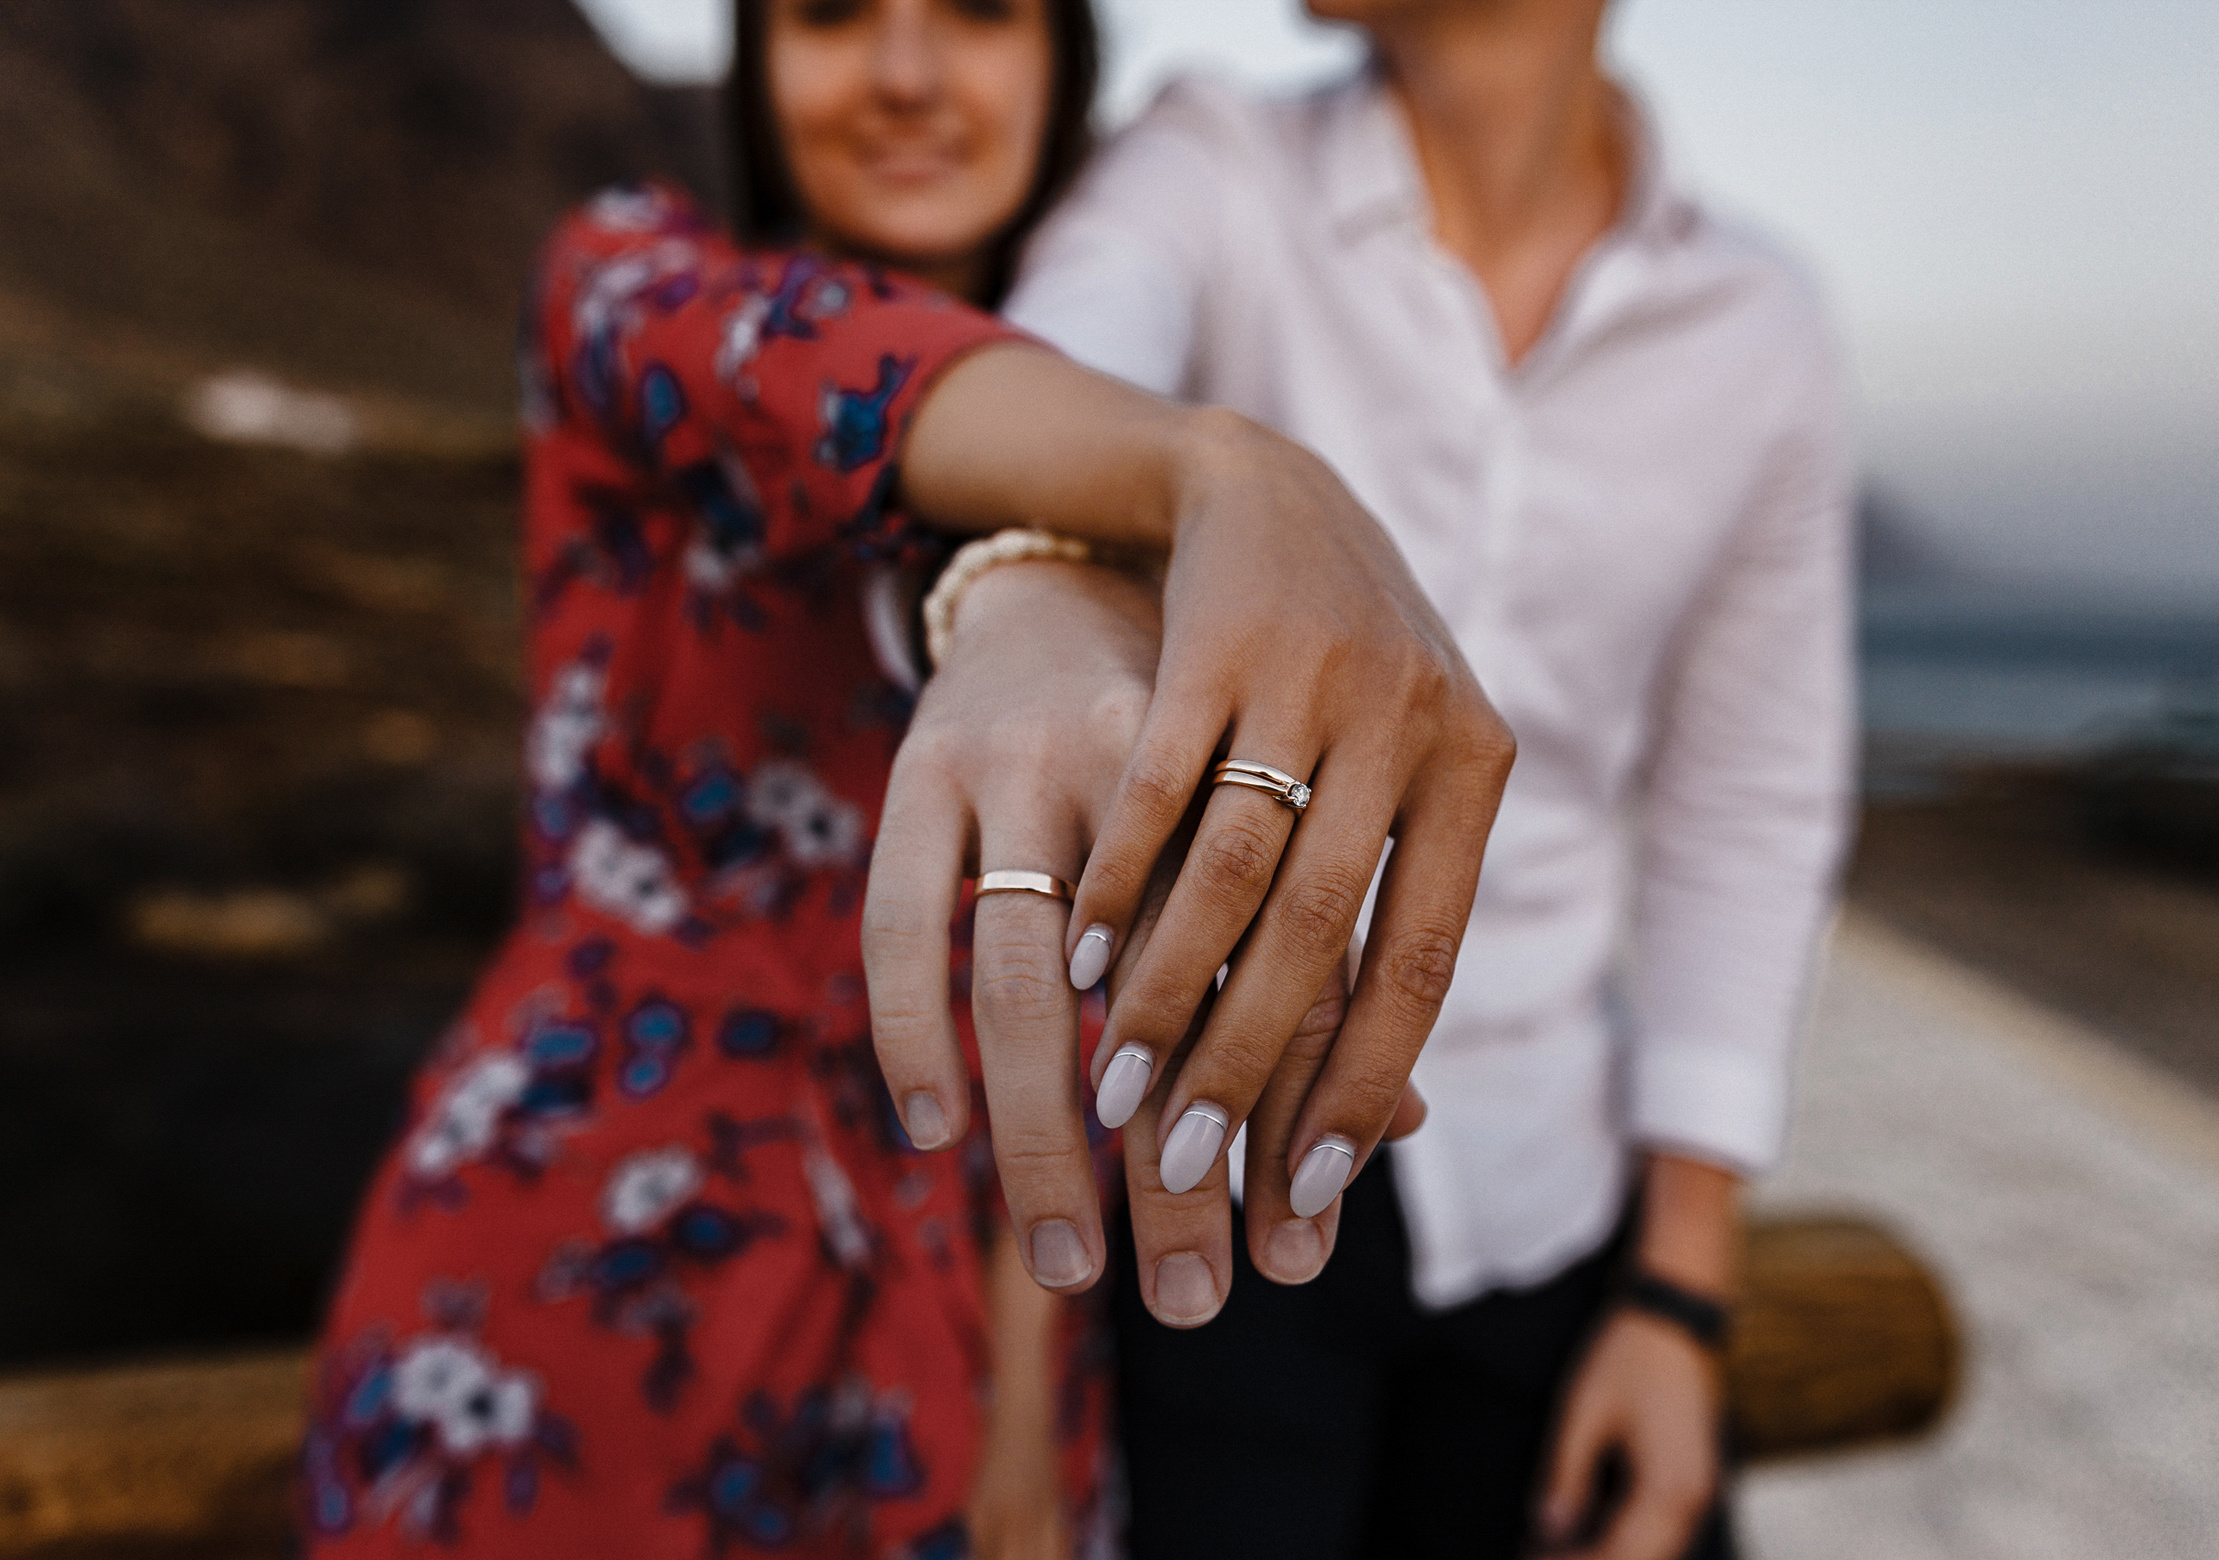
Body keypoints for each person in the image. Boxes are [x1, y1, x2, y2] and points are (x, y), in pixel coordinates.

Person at [298, 1, 1509, 1555]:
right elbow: (820, 374)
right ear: (757, 59)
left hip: (966, 1329)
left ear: (1064, 57)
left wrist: (1022, 1392)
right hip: (565, 1298)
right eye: (830, 12)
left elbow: (1073, 978)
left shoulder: (1122, 420)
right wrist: (1219, 469)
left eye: (982, 12)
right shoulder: (633, 281)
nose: (907, 75)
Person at [999, 1, 1857, 1557]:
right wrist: (1058, 573)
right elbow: (1061, 364)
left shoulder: (1758, 325)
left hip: (1558, 1188)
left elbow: (1750, 803)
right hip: (1218, 1174)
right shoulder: (1216, 161)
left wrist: (1681, 1287)